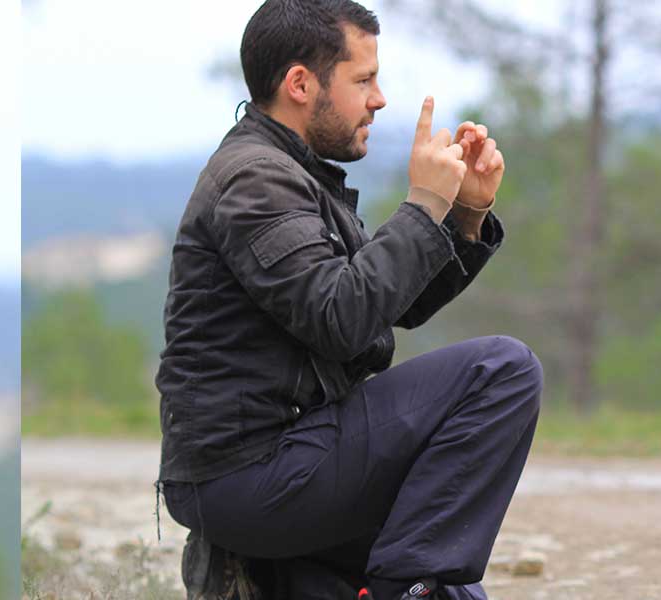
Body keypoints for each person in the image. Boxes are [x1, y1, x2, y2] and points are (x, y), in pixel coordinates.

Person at [152, 1, 540, 598]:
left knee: (448, 587)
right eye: (363, 80)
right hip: (252, 472)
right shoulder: (254, 180)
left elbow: (391, 305)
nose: (380, 98)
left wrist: (465, 213)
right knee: (502, 370)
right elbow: (343, 320)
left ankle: (296, 576)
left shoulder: (293, 171)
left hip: (289, 460)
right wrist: (424, 205)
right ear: (301, 84)